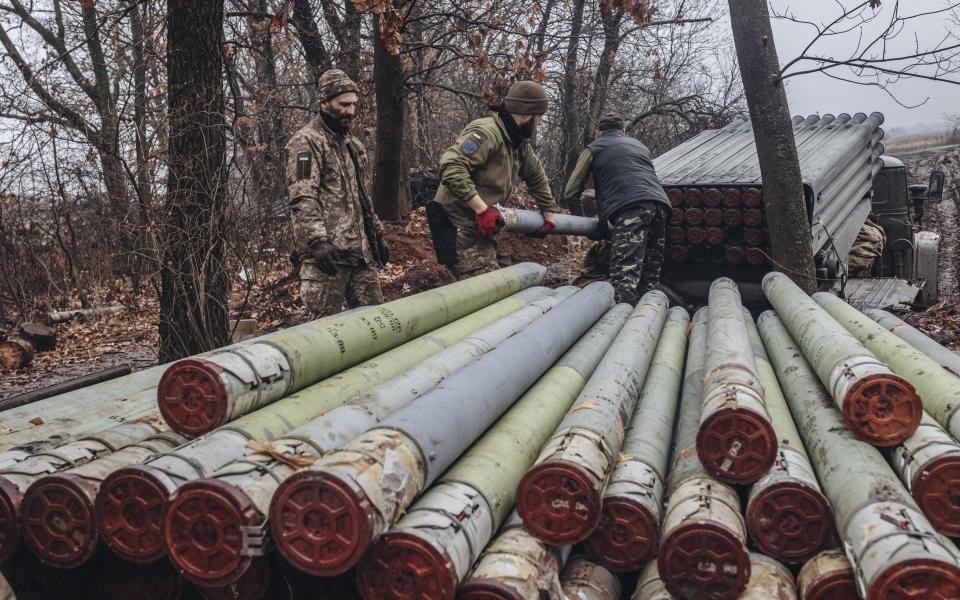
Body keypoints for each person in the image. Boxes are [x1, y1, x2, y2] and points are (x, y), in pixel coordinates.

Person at [427, 81, 558, 279]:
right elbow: (451, 165)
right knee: (484, 289)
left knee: (500, 281)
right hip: (457, 225)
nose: (538, 124)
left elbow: (536, 175)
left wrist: (548, 211)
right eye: (538, 118)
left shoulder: (517, 142)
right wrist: (481, 209)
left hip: (479, 226)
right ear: (526, 114)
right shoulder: (487, 133)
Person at [286, 69, 389, 317]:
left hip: (360, 257)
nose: (351, 111)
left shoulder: (352, 145)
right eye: (343, 104)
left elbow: (362, 197)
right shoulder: (306, 142)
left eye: (353, 104)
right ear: (324, 102)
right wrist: (317, 241)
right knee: (324, 335)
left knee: (377, 327)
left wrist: (377, 235)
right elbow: (302, 195)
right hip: (326, 260)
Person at [563, 113, 672, 305]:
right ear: (623, 131)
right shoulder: (640, 146)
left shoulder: (594, 148)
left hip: (631, 207)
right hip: (661, 205)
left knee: (624, 278)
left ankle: (623, 325)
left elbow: (571, 191)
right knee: (650, 277)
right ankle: (651, 320)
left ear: (599, 132)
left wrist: (579, 221)